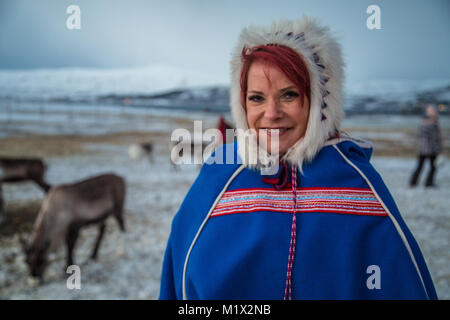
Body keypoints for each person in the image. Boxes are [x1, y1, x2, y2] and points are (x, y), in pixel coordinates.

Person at [159, 16, 437, 300]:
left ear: (321, 102)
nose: (271, 113)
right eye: (256, 98)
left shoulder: (356, 182)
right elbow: (178, 279)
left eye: (289, 95)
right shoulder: (219, 177)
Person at [409, 104, 442, 187]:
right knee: (433, 167)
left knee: (420, 166)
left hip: (422, 148)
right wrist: (438, 150)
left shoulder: (424, 122)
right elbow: (435, 139)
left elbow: (421, 136)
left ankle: (413, 182)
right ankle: (428, 182)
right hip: (430, 149)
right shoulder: (433, 124)